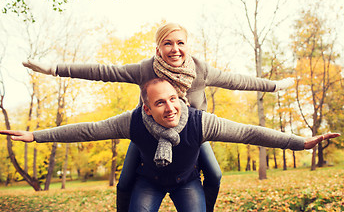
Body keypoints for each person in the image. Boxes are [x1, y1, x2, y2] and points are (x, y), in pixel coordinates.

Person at [22, 23, 295, 212]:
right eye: (168, 43)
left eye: (180, 43)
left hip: (192, 134)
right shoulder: (145, 70)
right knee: (127, 180)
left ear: (187, 47)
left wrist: (274, 86)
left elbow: (239, 81)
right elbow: (103, 71)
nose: (175, 49)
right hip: (150, 134)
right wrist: (54, 69)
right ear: (158, 49)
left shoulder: (201, 70)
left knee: (214, 173)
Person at [0, 78, 340, 212]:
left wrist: (299, 143)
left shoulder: (199, 121)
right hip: (150, 181)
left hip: (187, 182)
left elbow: (251, 132)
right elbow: (89, 130)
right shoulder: (132, 121)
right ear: (146, 107)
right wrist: (37, 135)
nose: (171, 107)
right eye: (160, 103)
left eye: (174, 99)